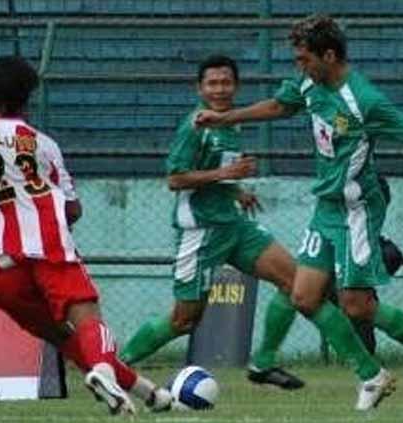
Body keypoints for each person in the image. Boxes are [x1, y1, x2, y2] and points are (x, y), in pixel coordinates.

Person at [196, 15, 403, 407]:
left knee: (358, 306)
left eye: (304, 59)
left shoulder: (364, 100)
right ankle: (371, 374)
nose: (299, 67)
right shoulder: (309, 83)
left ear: (329, 55)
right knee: (303, 296)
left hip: (358, 210)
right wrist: (225, 116)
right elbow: (279, 106)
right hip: (327, 207)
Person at [0, 56, 172, 416]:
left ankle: (149, 394)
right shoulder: (43, 144)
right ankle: (104, 371)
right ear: (27, 99)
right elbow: (73, 209)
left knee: (64, 337)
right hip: (48, 248)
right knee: (89, 320)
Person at [119, 54, 305, 391]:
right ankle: (115, 368)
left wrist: (235, 191)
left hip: (233, 226)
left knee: (297, 283)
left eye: (226, 82)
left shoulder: (231, 122)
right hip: (201, 231)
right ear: (200, 88)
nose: (219, 89)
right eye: (212, 83)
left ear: (236, 86)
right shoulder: (195, 126)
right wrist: (225, 174)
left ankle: (263, 364)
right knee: (184, 320)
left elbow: (217, 170)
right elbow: (175, 179)